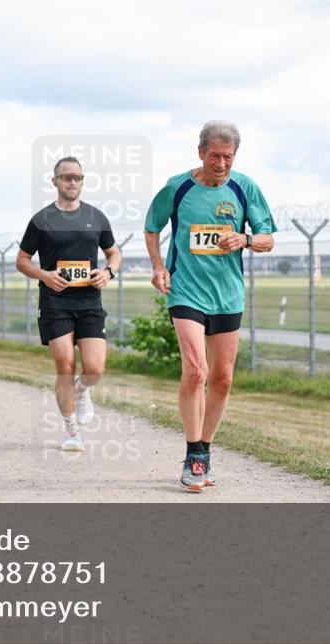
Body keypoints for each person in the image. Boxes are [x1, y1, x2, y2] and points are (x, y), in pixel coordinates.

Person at [144, 121, 275, 492]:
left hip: (227, 295)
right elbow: (152, 226)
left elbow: (267, 239)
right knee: (196, 371)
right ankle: (193, 456)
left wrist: (244, 239)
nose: (221, 164)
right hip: (185, 291)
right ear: (200, 152)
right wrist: (158, 266)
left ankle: (205, 448)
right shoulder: (178, 187)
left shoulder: (245, 188)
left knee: (222, 378)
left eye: (228, 157)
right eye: (214, 155)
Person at [16, 156, 121, 452]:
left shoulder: (96, 217)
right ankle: (71, 431)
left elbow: (114, 253)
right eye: (66, 177)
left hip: (89, 301)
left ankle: (82, 390)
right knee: (65, 365)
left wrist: (108, 272)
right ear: (55, 181)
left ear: (82, 181)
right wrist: (44, 275)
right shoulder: (42, 220)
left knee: (94, 369)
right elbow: (22, 260)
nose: (72, 182)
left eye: (77, 177)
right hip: (55, 302)